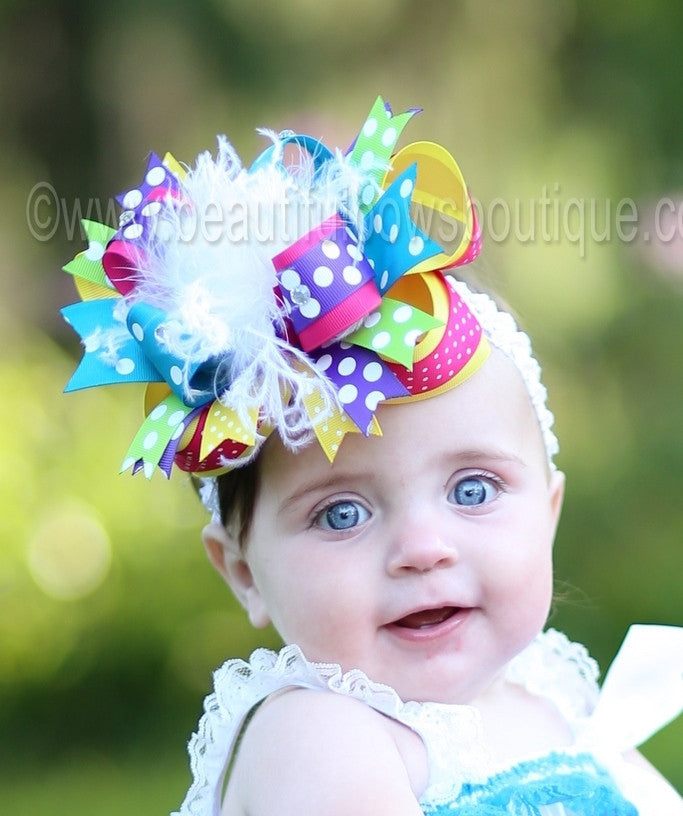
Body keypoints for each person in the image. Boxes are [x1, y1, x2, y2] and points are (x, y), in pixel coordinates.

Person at [61, 97, 682, 816]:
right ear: (242, 572)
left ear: (547, 515)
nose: (421, 549)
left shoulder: (557, 699)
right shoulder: (321, 738)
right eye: (341, 513)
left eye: (473, 490)